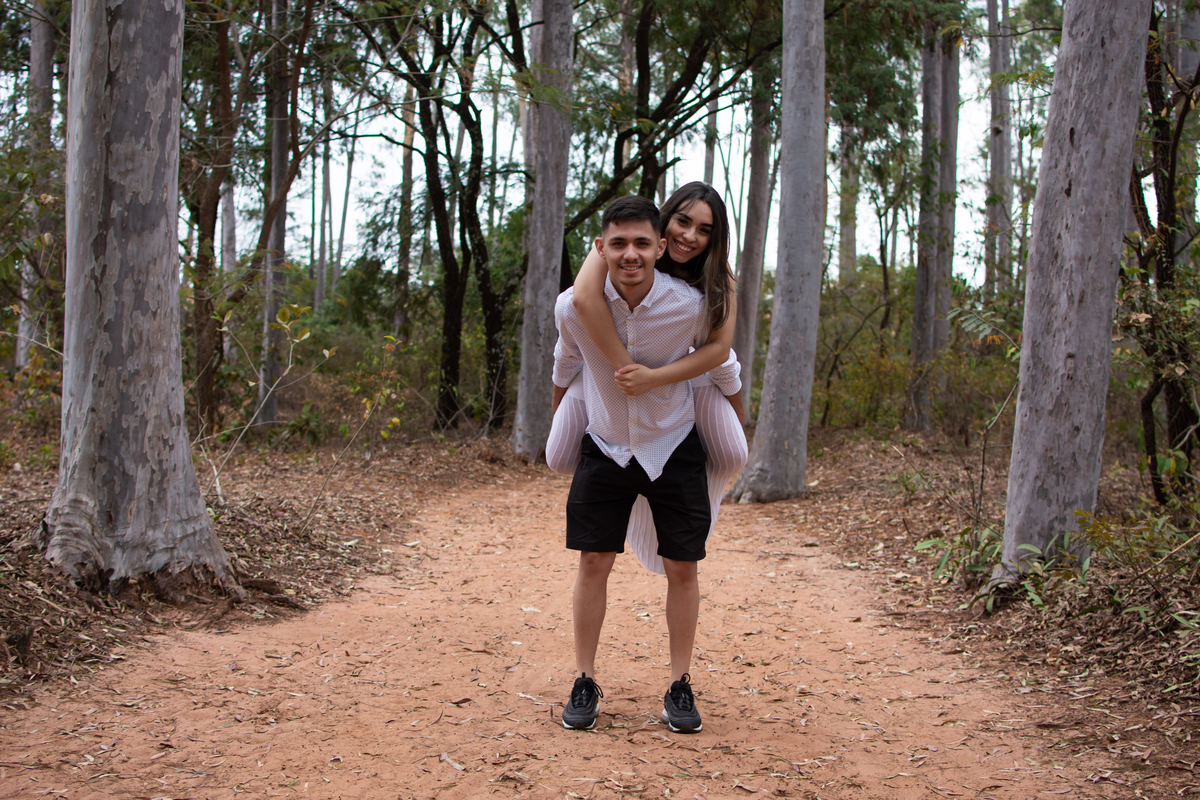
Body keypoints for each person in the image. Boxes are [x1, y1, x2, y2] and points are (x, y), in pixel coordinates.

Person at [552, 195, 717, 735]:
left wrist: (736, 420)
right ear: (600, 248)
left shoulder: (689, 306)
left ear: (661, 247)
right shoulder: (573, 305)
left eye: (642, 243)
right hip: (606, 443)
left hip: (674, 443)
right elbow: (568, 361)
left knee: (682, 568)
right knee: (593, 562)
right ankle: (583, 678)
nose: (630, 254)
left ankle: (679, 684)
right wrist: (561, 422)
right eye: (618, 243)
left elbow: (721, 360)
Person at [546, 182, 747, 575]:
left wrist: (734, 406)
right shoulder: (626, 243)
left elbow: (720, 354)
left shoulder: (714, 284)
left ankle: (674, 507)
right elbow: (582, 302)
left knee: (734, 452)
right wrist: (625, 373)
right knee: (557, 457)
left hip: (681, 374)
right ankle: (630, 488)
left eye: (704, 230)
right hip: (604, 371)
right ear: (664, 220)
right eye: (683, 222)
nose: (689, 236)